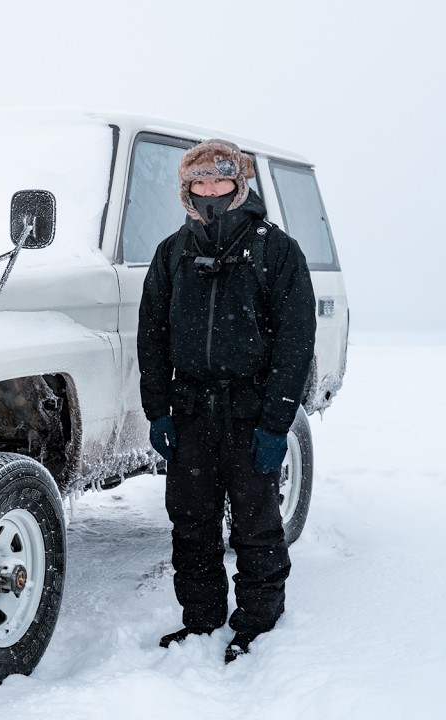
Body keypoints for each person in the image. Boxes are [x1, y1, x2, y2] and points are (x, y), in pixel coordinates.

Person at [137, 139, 315, 663]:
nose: (209, 191)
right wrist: (158, 410)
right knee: (191, 522)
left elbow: (295, 341)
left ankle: (257, 624)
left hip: (251, 410)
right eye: (199, 183)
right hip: (191, 411)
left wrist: (276, 422)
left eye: (220, 181)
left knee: (257, 524)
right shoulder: (173, 253)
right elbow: (152, 337)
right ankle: (201, 619)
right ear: (186, 190)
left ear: (240, 184)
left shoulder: (275, 250)